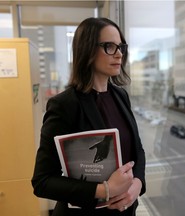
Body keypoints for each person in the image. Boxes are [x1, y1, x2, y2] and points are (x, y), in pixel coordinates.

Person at [31, 17, 146, 216]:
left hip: (126, 210)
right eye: (109, 46)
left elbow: (137, 151)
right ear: (87, 50)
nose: (119, 54)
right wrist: (105, 190)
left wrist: (137, 184)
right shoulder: (65, 105)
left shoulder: (121, 96)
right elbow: (43, 181)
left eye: (121, 47)